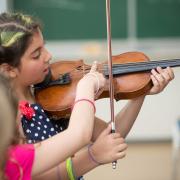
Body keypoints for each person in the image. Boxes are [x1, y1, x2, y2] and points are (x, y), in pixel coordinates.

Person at [0, 12, 174, 179]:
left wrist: (141, 90)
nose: (48, 56)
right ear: (8, 70)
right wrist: (92, 156)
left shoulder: (50, 95)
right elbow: (32, 175)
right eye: (36, 54)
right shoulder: (8, 118)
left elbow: (113, 134)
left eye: (44, 46)